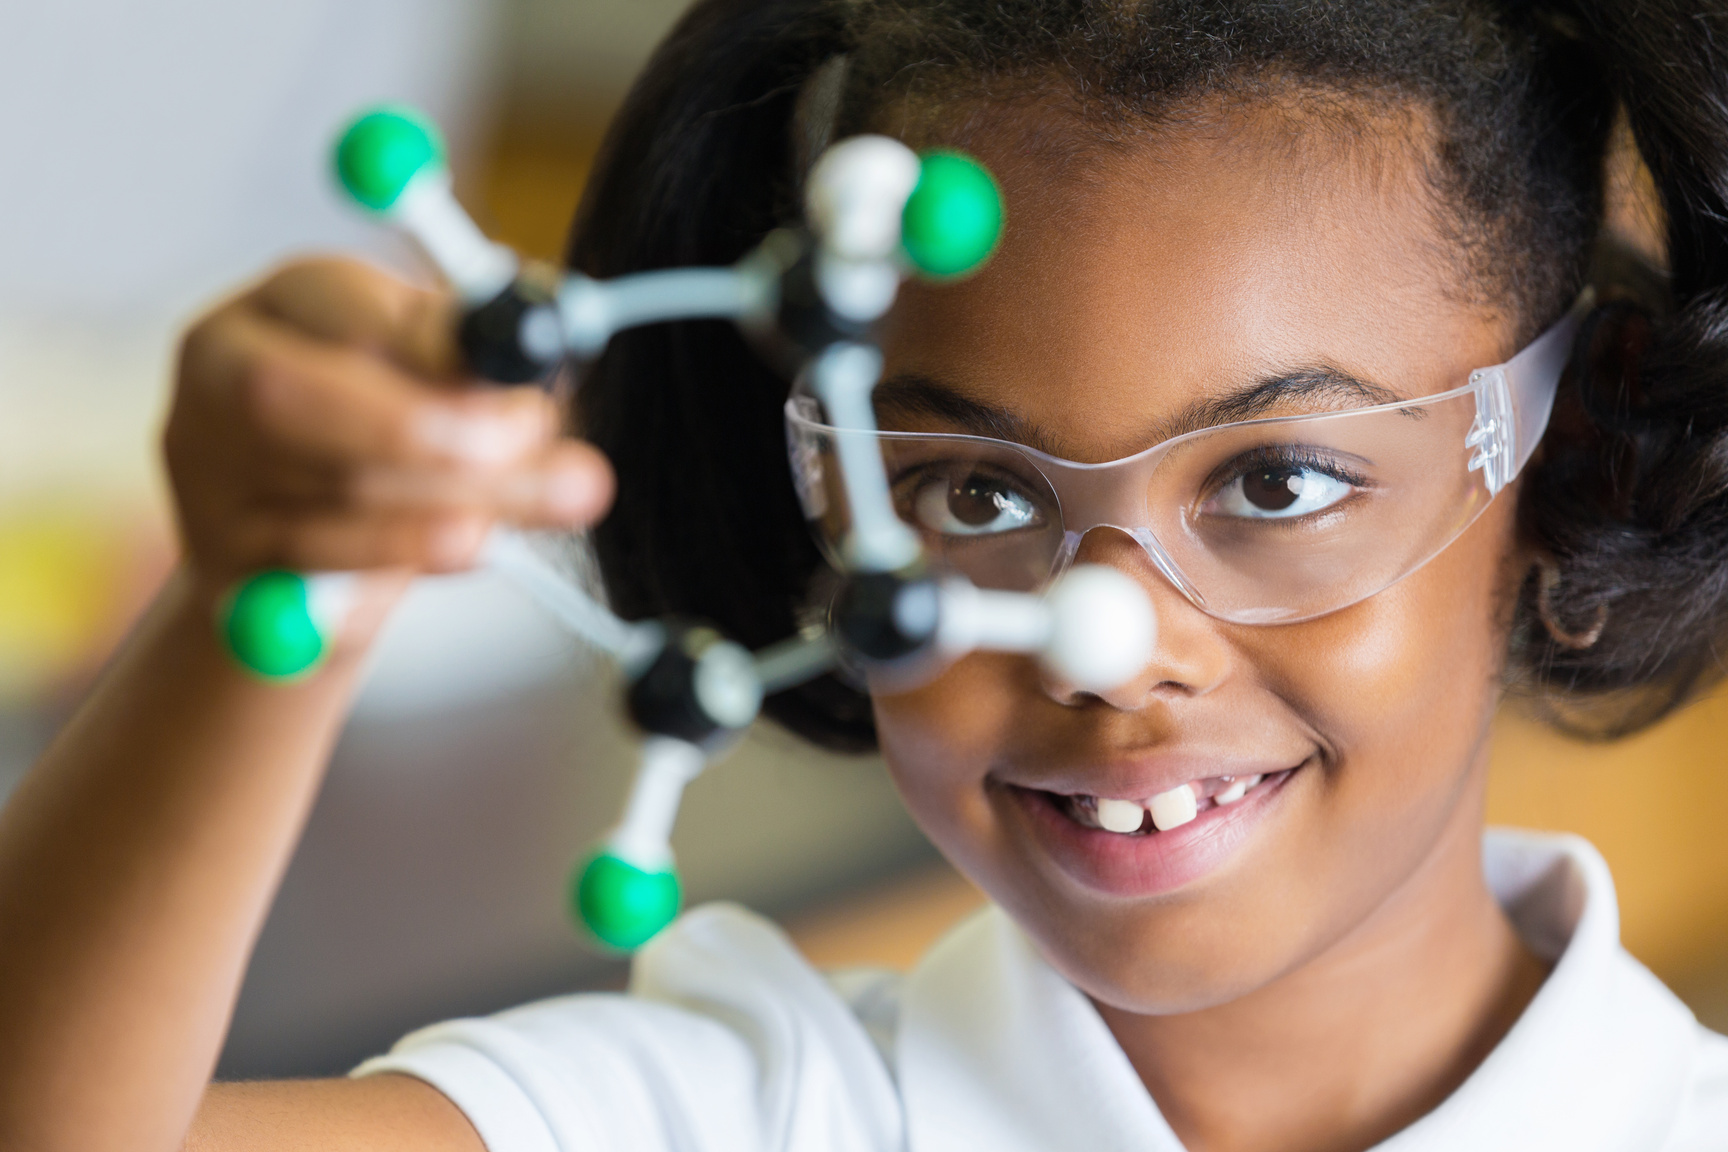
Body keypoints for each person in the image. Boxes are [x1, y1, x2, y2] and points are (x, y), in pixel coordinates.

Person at [3, 0, 1727, 1148]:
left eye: (1277, 480)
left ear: (1569, 462)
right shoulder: (755, 1107)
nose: (1112, 646)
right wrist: (265, 611)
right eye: (971, 495)